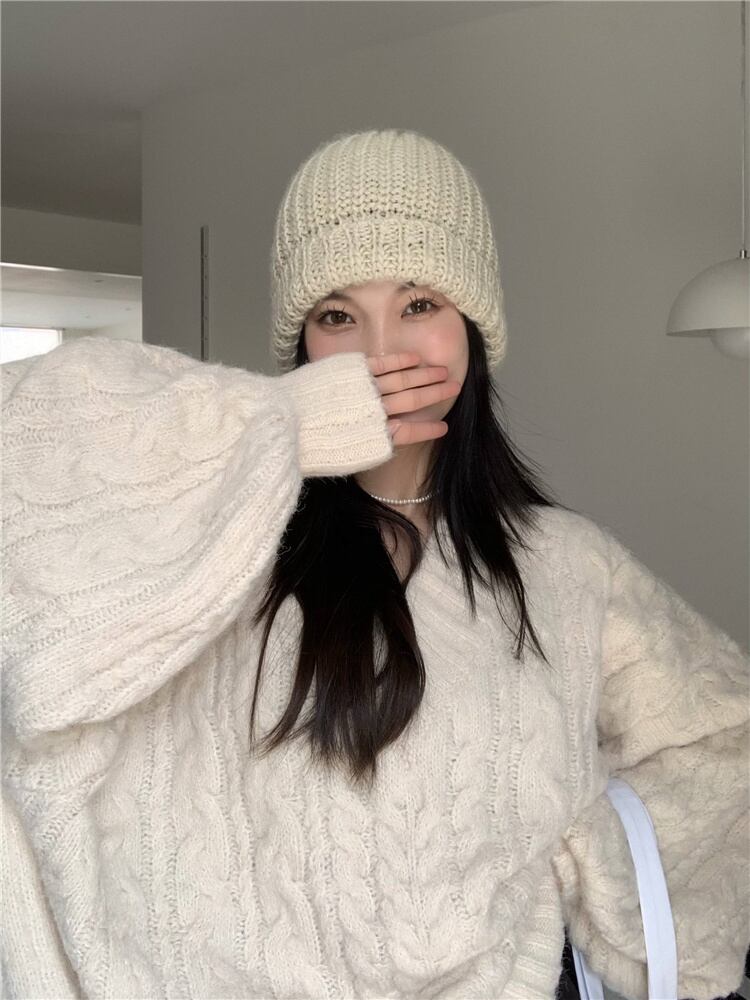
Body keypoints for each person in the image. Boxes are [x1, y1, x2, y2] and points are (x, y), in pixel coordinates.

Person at [1, 128, 748, 1000]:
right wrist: (288, 429)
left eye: (419, 303)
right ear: (303, 346)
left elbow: (720, 733)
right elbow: (30, 448)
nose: (381, 349)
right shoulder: (216, 547)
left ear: (474, 327)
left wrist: (591, 856)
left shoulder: (569, 566)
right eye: (337, 316)